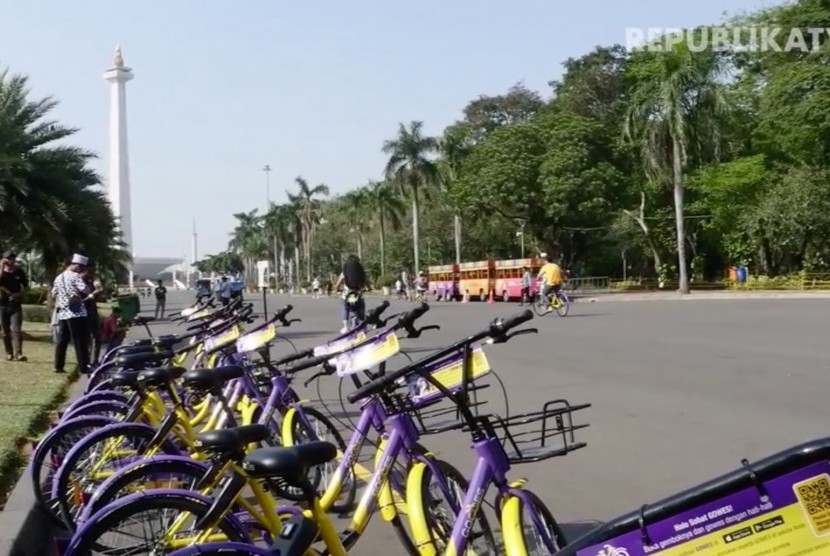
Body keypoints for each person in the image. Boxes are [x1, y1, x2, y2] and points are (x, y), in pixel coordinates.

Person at [52, 253, 91, 373]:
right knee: (80, 340)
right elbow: (85, 290)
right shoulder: (75, 276)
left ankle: (58, 365)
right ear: (78, 266)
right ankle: (83, 366)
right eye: (81, 268)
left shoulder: (59, 277)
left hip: (63, 312)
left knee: (62, 340)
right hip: (76, 312)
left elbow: (54, 293)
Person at [0, 251, 29, 362]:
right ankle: (9, 353)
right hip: (2, 305)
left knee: (16, 329)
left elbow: (26, 287)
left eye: (12, 258)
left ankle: (19, 353)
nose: (10, 261)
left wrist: (19, 294)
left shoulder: (19, 272)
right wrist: (1, 267)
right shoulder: (1, 271)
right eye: (8, 259)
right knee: (5, 330)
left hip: (15, 305)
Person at [334, 255, 367, 333]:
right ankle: (362, 325)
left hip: (347, 294)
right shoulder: (361, 272)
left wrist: (337, 289)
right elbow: (366, 282)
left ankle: (345, 326)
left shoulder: (345, 272)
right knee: (361, 306)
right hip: (358, 293)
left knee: (344, 307)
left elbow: (337, 285)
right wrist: (367, 288)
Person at [82, 266, 103, 366]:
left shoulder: (91, 282)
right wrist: (91, 296)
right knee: (87, 338)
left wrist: (98, 292)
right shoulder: (78, 283)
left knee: (97, 337)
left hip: (93, 312)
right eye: (89, 273)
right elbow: (80, 301)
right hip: (85, 313)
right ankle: (87, 360)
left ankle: (95, 360)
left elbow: (96, 297)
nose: (90, 276)